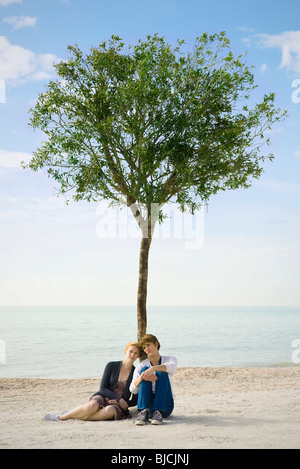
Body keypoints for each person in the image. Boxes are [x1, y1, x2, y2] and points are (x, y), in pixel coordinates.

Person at [43, 342, 141, 422]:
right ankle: (61, 417)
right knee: (92, 406)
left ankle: (74, 415)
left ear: (138, 356)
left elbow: (135, 400)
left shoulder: (136, 373)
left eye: (136, 353)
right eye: (131, 351)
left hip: (116, 405)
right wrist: (119, 398)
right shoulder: (111, 366)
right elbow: (102, 388)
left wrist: (120, 403)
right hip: (103, 396)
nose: (133, 355)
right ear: (125, 351)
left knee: (109, 410)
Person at [130, 334, 178, 425]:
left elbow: (171, 367)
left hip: (165, 406)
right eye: (144, 347)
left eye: (148, 345)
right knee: (144, 371)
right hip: (147, 406)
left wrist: (153, 368)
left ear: (156, 344)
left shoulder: (170, 359)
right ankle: (143, 412)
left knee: (162, 372)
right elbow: (133, 390)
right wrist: (142, 377)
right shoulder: (141, 366)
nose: (146, 349)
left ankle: (158, 412)